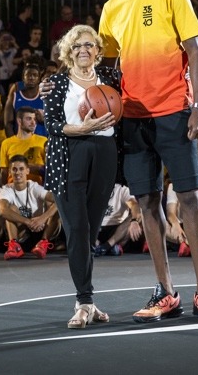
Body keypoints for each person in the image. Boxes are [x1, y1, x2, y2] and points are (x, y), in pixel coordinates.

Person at [98, 0, 198, 323]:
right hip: (134, 120)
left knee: (189, 198)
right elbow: (106, 70)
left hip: (174, 111)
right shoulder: (110, 9)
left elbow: (196, 52)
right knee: (148, 203)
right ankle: (166, 293)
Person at [42, 24, 119, 328]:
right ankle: (83, 300)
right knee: (76, 229)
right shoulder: (57, 83)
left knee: (90, 231)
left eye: (89, 45)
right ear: (68, 51)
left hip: (105, 153)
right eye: (76, 46)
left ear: (98, 51)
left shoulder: (112, 79)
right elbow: (52, 124)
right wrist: (84, 128)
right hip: (70, 153)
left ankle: (88, 301)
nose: (83, 50)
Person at [0, 155, 60, 261]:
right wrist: (28, 222)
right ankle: (14, 246)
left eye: (21, 169)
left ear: (27, 171)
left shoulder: (35, 187)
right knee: (10, 209)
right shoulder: (6, 189)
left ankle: (43, 243)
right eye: (14, 169)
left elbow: (60, 200)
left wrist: (42, 218)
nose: (18, 173)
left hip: (41, 231)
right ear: (9, 171)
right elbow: (3, 211)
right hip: (22, 234)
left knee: (56, 210)